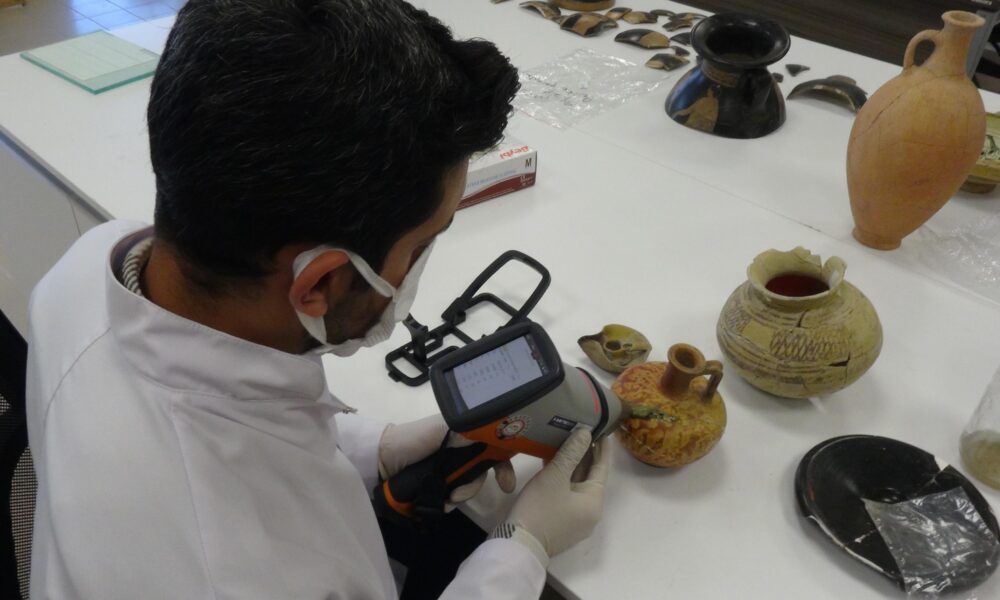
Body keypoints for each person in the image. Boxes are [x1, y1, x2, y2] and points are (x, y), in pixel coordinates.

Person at [24, 1, 610, 598]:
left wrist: (374, 446)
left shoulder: (89, 265)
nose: (420, 266)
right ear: (320, 283)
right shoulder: (240, 575)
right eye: (422, 244)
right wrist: (520, 548)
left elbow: (247, 427)